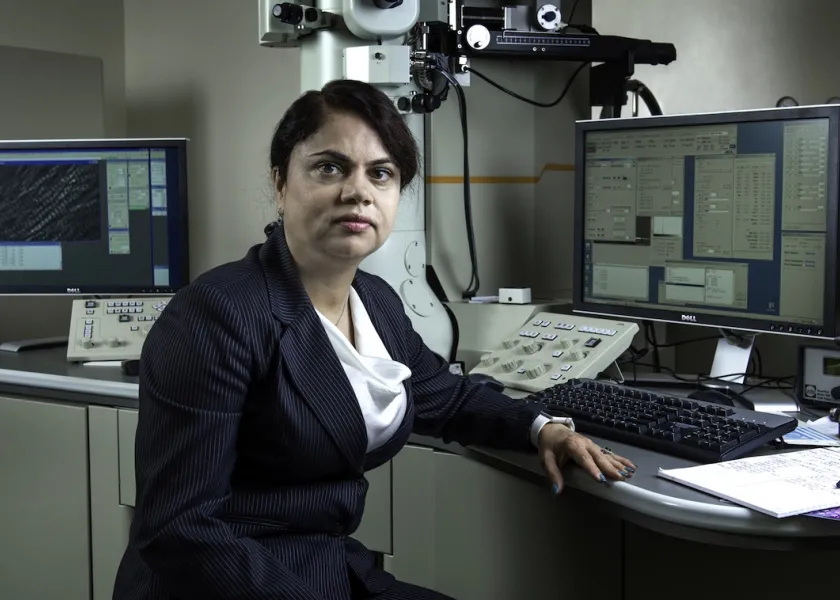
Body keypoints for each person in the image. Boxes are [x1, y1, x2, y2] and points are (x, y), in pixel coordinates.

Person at [112, 78, 636, 600]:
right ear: (279, 183)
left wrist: (542, 429)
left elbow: (444, 396)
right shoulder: (217, 314)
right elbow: (179, 529)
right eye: (329, 167)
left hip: (325, 566)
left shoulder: (376, 302)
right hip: (225, 583)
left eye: (380, 174)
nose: (357, 190)